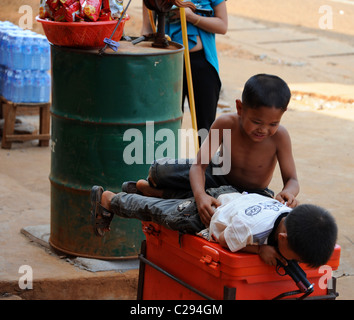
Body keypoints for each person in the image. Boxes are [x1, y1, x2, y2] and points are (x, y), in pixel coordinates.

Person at [126, 74, 300, 227]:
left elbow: (292, 179)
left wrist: (288, 193)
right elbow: (199, 166)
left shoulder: (280, 137)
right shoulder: (225, 124)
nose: (263, 129)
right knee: (160, 170)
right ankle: (178, 192)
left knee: (220, 211)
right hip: (216, 175)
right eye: (256, 121)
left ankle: (160, 193)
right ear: (240, 108)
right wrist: (201, 196)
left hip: (251, 195)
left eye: (273, 124)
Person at [90, 185, 338, 267]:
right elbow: (223, 240)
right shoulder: (251, 230)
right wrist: (258, 250)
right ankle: (109, 200)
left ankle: (151, 188)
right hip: (205, 216)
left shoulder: (288, 212)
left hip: (231, 195)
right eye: (294, 259)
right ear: (282, 238)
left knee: (179, 198)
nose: (293, 263)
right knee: (156, 212)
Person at [141, 0, 228, 141]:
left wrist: (191, 17)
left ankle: (205, 163)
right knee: (166, 125)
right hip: (168, 63)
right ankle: (165, 162)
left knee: (205, 127)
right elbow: (147, 29)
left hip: (202, 63)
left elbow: (223, 26)